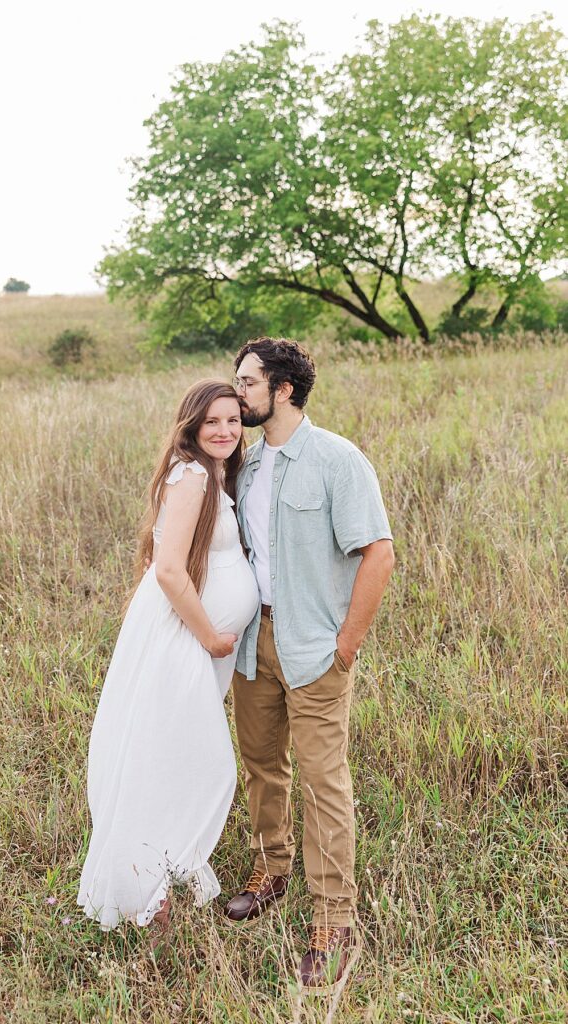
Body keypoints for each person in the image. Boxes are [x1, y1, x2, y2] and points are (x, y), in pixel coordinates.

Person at [224, 337, 395, 994]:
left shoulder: (335, 460)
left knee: (324, 784)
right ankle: (271, 870)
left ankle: (333, 921)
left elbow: (377, 554)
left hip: (314, 649)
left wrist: (344, 644)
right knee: (263, 765)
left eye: (245, 382)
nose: (235, 392)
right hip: (252, 643)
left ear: (282, 390)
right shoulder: (245, 466)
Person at [77, 380, 259, 936]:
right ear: (192, 426)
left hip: (200, 642)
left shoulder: (216, 472)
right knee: (185, 760)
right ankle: (143, 887)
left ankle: (158, 878)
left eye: (234, 420)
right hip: (186, 638)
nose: (225, 430)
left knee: (171, 753)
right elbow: (170, 570)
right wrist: (209, 636)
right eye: (213, 422)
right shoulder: (192, 475)